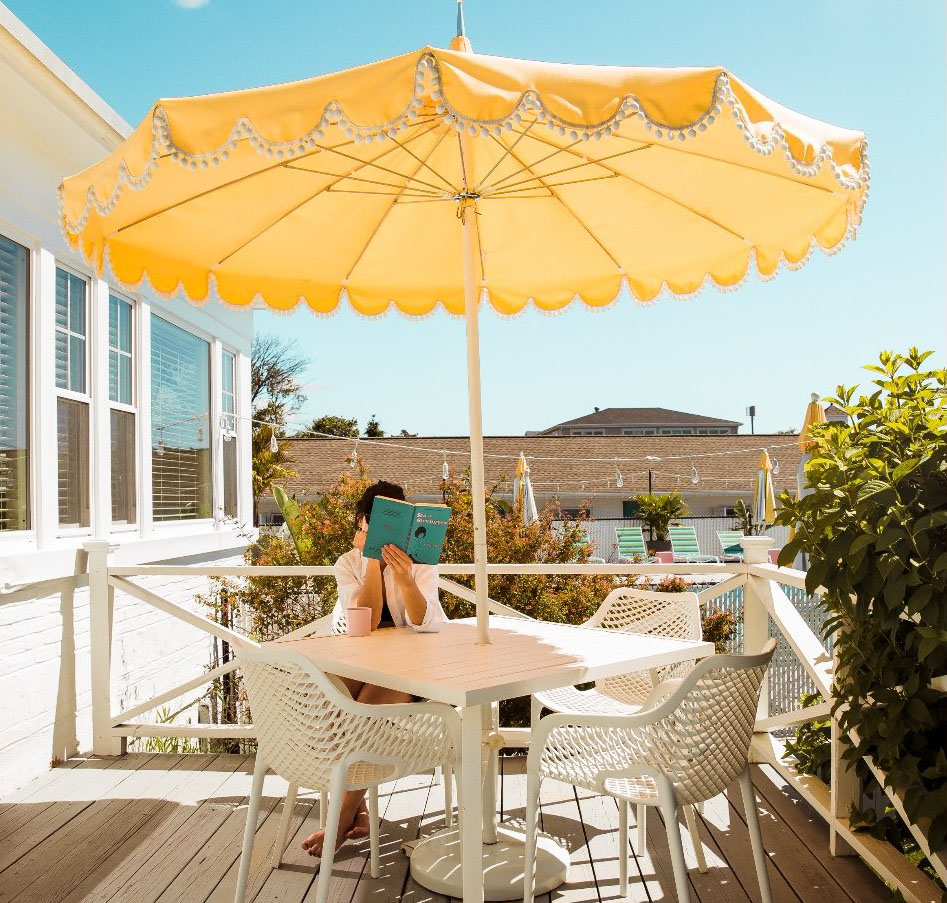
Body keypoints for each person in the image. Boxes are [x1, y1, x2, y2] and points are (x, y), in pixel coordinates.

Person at [301, 480, 447, 858]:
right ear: (363, 523)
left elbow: (425, 622)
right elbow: (359, 622)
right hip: (364, 660)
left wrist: (402, 575)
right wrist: (370, 562)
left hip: (414, 665)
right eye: (373, 522)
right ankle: (359, 810)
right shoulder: (347, 563)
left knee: (364, 713)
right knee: (333, 702)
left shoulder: (421, 561)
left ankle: (340, 817)